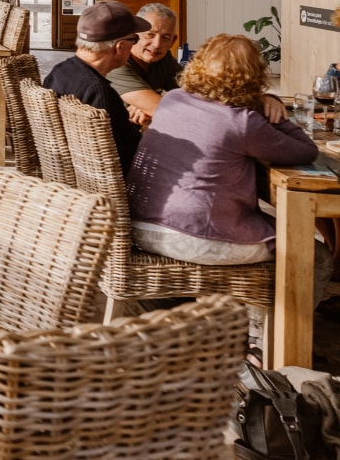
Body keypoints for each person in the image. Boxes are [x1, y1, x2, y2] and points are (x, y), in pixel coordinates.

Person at [127, 33, 329, 298]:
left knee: (277, 229)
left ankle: (254, 322)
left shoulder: (173, 99)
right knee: (316, 255)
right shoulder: (242, 122)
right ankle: (267, 334)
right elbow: (306, 151)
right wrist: (274, 110)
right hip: (195, 236)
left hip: (140, 226)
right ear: (254, 75)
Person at [42, 0, 146, 174]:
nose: (134, 45)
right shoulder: (99, 92)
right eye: (134, 39)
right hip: (120, 190)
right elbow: (131, 157)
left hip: (69, 177)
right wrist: (147, 128)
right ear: (120, 47)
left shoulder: (59, 72)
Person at [107, 2, 183, 126]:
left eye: (165, 38)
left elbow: (193, 92)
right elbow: (161, 109)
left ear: (173, 41)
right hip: (114, 140)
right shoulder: (116, 63)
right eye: (150, 35)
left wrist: (158, 103)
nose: (157, 44)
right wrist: (155, 106)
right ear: (134, 34)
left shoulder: (162, 58)